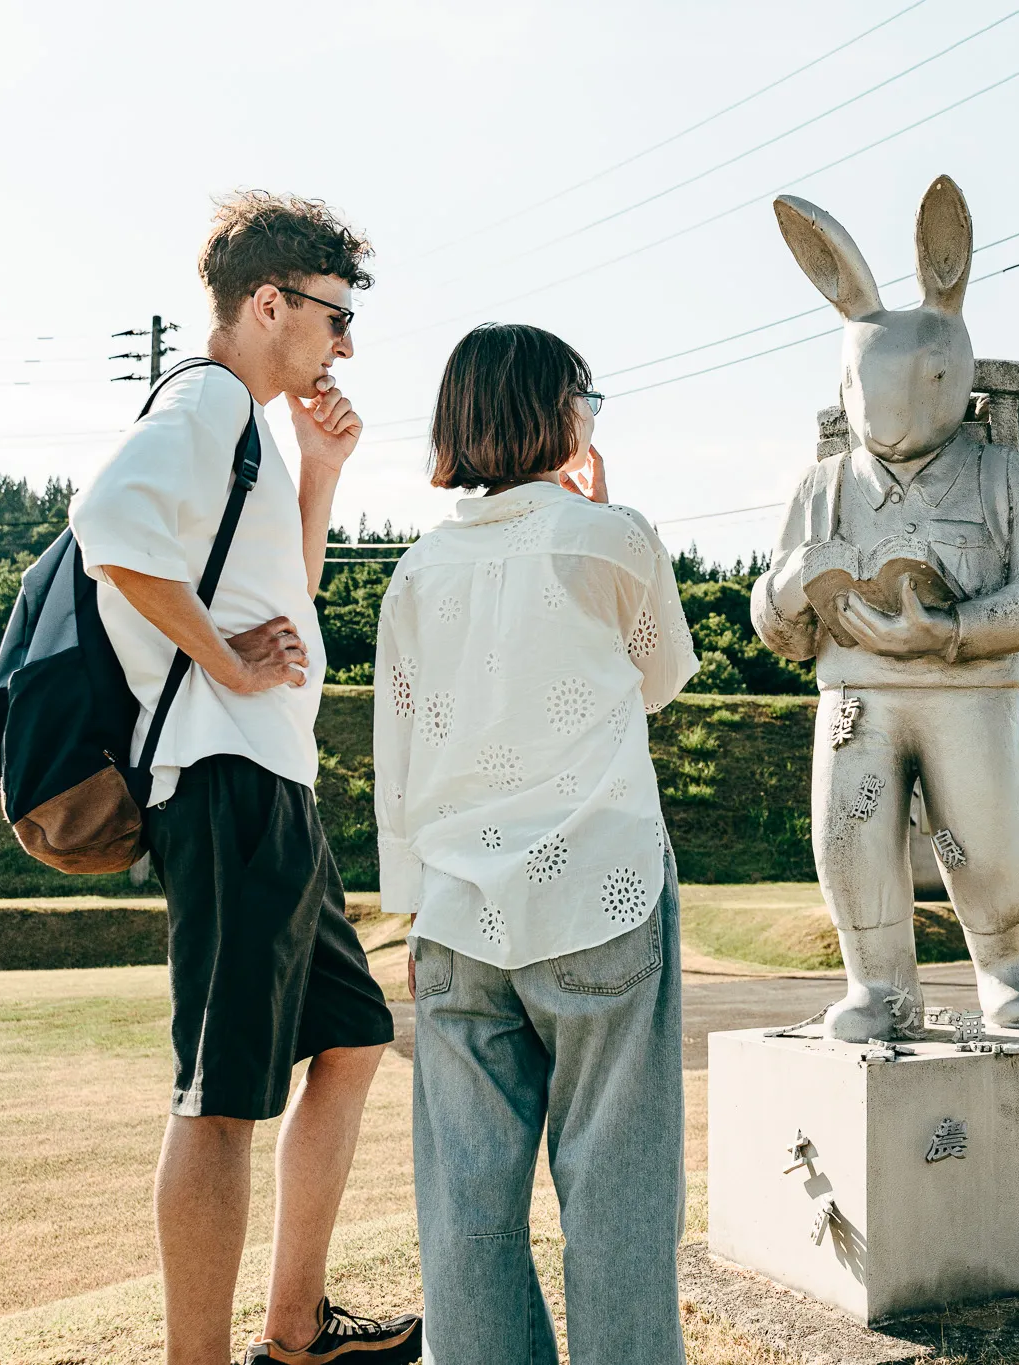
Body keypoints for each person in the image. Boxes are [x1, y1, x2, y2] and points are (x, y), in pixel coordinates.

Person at [70, 191, 420, 1365]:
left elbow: (287, 600)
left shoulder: (253, 431)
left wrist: (317, 473)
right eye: (333, 315)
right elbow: (105, 520)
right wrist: (219, 660)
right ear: (267, 303)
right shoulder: (209, 398)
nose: (345, 343)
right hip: (221, 779)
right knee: (220, 1094)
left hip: (269, 780)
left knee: (355, 1035)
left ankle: (294, 1326)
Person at [374, 323, 699, 1364]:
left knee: (464, 1200)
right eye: (585, 397)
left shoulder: (417, 572)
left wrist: (410, 900)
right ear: (555, 412)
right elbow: (661, 678)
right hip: (599, 890)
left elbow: (399, 749)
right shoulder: (614, 537)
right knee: (617, 1192)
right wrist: (602, 517)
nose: (589, 415)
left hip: (459, 905)